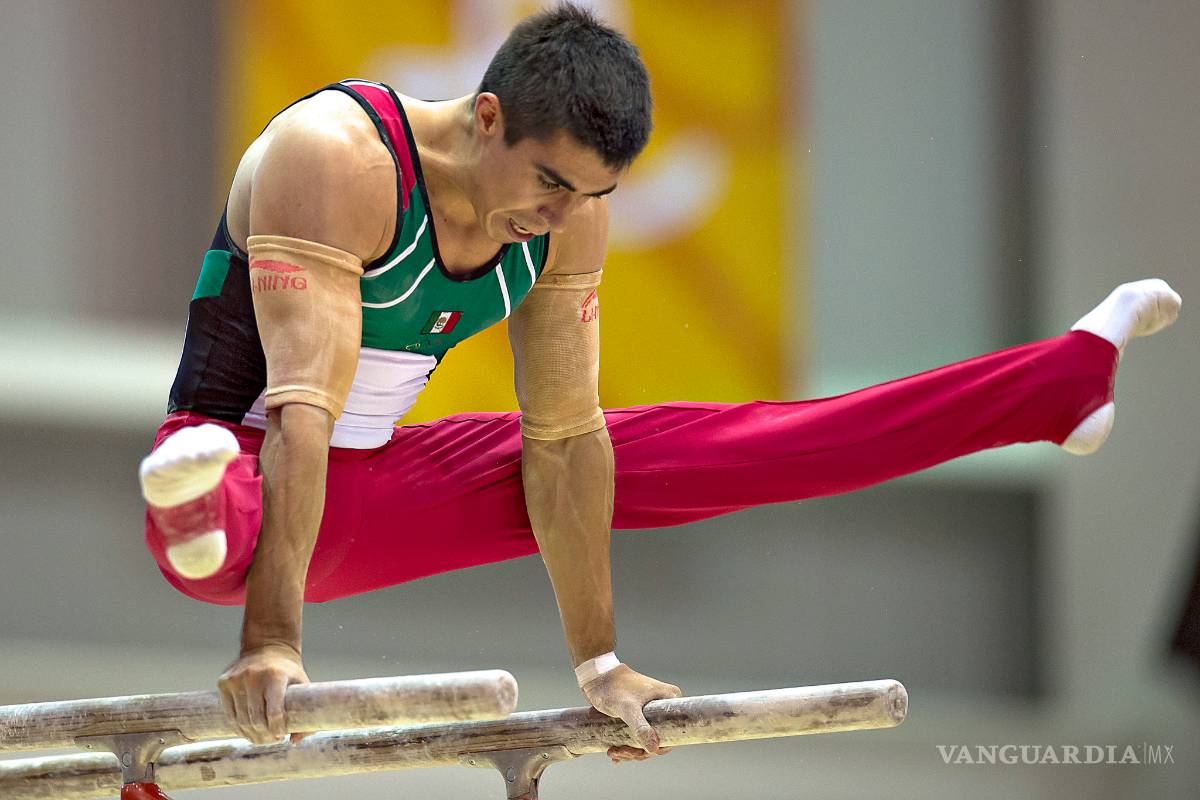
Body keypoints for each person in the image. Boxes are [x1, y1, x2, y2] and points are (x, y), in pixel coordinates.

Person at [139, 2, 1181, 765]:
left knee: (664, 445)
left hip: (376, 490)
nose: (562, 217)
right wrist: (271, 642)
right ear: (489, 116)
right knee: (233, 493)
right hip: (262, 455)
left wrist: (599, 663)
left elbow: (559, 439)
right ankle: (196, 509)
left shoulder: (570, 219)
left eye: (592, 195)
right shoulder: (335, 158)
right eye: (551, 182)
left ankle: (1055, 385)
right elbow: (304, 410)